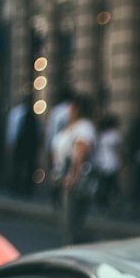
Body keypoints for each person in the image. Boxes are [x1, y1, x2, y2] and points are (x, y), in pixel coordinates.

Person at [52, 92, 97, 244]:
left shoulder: (84, 127)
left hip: (74, 181)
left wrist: (72, 176)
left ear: (77, 108)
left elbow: (80, 153)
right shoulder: (71, 126)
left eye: (70, 106)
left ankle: (77, 251)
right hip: (64, 177)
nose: (68, 109)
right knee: (67, 223)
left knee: (71, 224)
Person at [93, 111, 123, 213]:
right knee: (112, 184)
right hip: (112, 163)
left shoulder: (102, 135)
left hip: (101, 162)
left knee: (104, 183)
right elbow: (119, 150)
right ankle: (111, 200)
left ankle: (102, 201)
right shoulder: (115, 135)